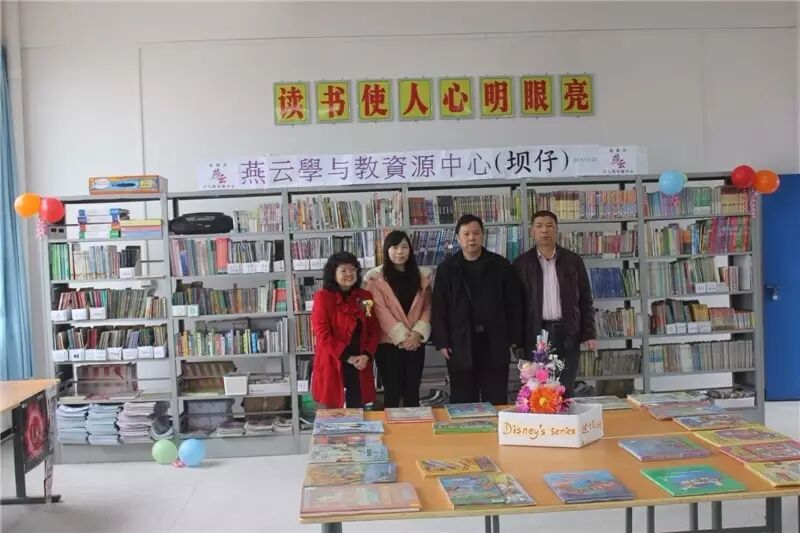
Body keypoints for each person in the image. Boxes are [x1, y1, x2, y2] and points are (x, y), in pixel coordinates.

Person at [431, 214, 522, 405]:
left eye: (476, 233)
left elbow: (514, 304)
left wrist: (514, 339)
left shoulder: (500, 265)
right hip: (460, 342)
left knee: (496, 396)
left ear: (483, 235)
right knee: (463, 398)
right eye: (466, 234)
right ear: (458, 238)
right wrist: (442, 341)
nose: (471, 238)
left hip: (494, 341)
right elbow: (439, 307)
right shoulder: (447, 269)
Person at [513, 210, 597, 398]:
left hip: (567, 331)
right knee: (537, 390)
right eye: (539, 226)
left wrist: (589, 333)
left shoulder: (573, 260)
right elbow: (516, 306)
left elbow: (585, 299)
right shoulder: (521, 264)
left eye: (549, 226)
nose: (545, 230)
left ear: (557, 230)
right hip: (536, 333)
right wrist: (516, 340)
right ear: (532, 232)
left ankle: (565, 416)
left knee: (565, 387)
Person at [364, 230, 433, 408]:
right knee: (392, 392)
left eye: (404, 247)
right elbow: (380, 311)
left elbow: (428, 307)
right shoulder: (375, 279)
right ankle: (393, 427)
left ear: (410, 250)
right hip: (388, 345)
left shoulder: (422, 277)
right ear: (386, 250)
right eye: (394, 247)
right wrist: (402, 337)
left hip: (416, 343)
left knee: (412, 391)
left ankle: (413, 426)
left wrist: (418, 333)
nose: (400, 252)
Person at [311, 251, 381, 409]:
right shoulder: (323, 298)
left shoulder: (365, 298)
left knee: (358, 412)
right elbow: (322, 333)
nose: (349, 274)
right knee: (332, 414)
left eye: (352, 269)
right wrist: (348, 357)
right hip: (333, 362)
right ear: (333, 273)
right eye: (343, 270)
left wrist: (366, 355)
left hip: (360, 364)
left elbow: (373, 330)